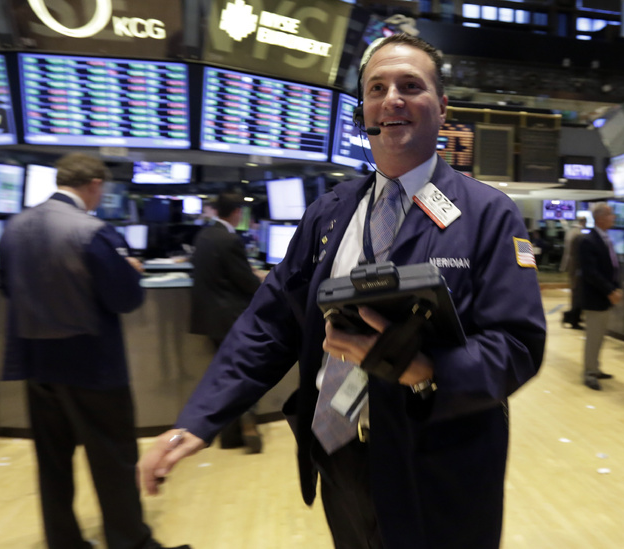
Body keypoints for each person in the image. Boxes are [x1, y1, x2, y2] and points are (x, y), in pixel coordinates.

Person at [138, 34, 545, 549]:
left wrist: (428, 368)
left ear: (441, 108)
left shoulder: (489, 213)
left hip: (436, 468)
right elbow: (269, 323)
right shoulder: (331, 212)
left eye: (410, 85)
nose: (391, 98)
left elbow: (518, 344)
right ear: (364, 111)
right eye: (377, 88)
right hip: (339, 455)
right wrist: (199, 419)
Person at [0, 153, 189, 549]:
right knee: (112, 460)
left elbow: (7, 289)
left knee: (52, 463)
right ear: (95, 184)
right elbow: (124, 299)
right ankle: (129, 541)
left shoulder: (13, 228)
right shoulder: (92, 231)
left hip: (35, 364)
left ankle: (63, 540)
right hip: (91, 366)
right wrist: (131, 272)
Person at [190, 192, 266, 452]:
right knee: (244, 373)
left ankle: (230, 436)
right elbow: (245, 282)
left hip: (210, 319)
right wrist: (261, 279)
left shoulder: (205, 235)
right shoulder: (230, 239)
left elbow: (222, 272)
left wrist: (249, 272)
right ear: (236, 212)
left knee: (225, 375)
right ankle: (247, 422)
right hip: (231, 318)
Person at [579, 203, 623, 390]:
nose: (614, 217)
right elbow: (591, 272)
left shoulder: (606, 238)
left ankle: (595, 368)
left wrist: (616, 287)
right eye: (611, 214)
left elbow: (613, 266)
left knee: (600, 336)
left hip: (605, 296)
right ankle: (589, 373)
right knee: (594, 337)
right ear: (601, 218)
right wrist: (609, 291)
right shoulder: (589, 241)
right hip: (595, 297)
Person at [561, 216, 587, 329]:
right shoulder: (579, 234)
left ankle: (574, 316)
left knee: (575, 292)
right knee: (577, 293)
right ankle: (572, 318)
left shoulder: (571, 232)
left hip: (571, 266)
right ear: (583, 222)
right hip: (577, 267)